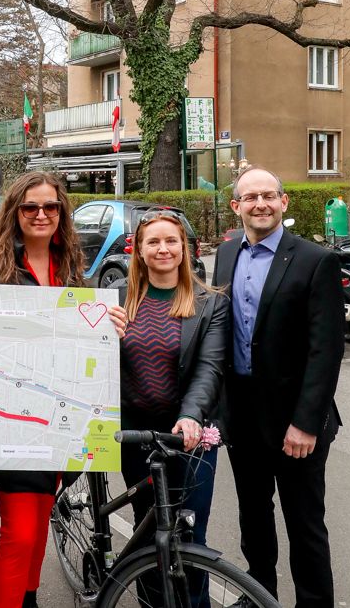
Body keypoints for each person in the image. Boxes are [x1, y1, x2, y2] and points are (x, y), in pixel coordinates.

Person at [213, 166, 344, 608]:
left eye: (269, 196)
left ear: (284, 202)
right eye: (250, 198)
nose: (261, 204)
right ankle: (259, 593)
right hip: (244, 418)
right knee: (254, 517)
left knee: (304, 524)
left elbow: (325, 352)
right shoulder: (227, 254)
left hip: (296, 422)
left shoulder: (314, 260)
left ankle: (313, 601)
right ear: (236, 207)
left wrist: (306, 424)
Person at [0, 172, 85, 608]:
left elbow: (79, 335)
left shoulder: (70, 264)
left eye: (50, 207)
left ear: (61, 212)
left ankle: (28, 599)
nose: (40, 214)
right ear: (14, 212)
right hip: (10, 417)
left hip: (57, 418)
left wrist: (104, 327)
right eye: (30, 207)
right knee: (19, 531)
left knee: (39, 518)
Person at [107, 209, 227, 607]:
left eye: (171, 241)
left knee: (190, 535)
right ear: (138, 251)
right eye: (153, 242)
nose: (163, 249)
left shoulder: (210, 303)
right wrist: (102, 333)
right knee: (147, 538)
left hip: (189, 436)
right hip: (137, 435)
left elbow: (210, 366)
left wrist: (191, 415)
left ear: (185, 249)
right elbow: (93, 359)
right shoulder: (117, 297)